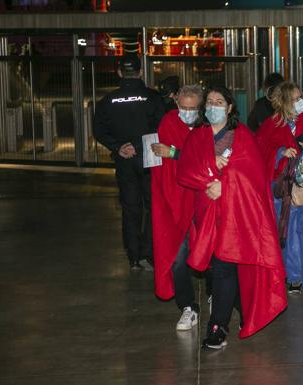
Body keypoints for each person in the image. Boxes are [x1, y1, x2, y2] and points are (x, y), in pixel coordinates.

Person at [177, 85, 287, 349]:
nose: (213, 106)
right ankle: (241, 308)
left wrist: (226, 185)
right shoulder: (197, 137)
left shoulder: (243, 137)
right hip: (205, 215)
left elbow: (255, 177)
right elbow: (184, 172)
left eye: (219, 102)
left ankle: (218, 326)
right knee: (220, 269)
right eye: (210, 102)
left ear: (229, 108)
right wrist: (209, 172)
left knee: (225, 266)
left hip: (237, 216)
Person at [256, 81, 303, 298]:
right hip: (282, 188)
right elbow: (260, 152)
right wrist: (280, 152)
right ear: (284, 102)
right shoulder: (271, 125)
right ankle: (294, 277)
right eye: (295, 98)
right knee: (288, 234)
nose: (300, 102)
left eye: (301, 97)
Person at [93, 55, 165, 271]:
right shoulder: (153, 98)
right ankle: (149, 254)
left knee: (130, 208)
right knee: (152, 207)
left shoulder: (108, 101)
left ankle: (133, 256)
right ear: (141, 72)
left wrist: (118, 146)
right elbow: (163, 127)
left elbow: (99, 131)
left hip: (124, 160)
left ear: (119, 73)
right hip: (150, 158)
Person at [150, 84, 203, 331]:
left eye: (192, 108)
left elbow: (207, 160)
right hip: (177, 202)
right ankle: (188, 306)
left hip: (206, 201)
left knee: (213, 255)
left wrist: (174, 153)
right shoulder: (168, 124)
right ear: (176, 104)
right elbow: (158, 167)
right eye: (183, 107)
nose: (187, 112)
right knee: (179, 258)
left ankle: (217, 295)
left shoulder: (209, 127)